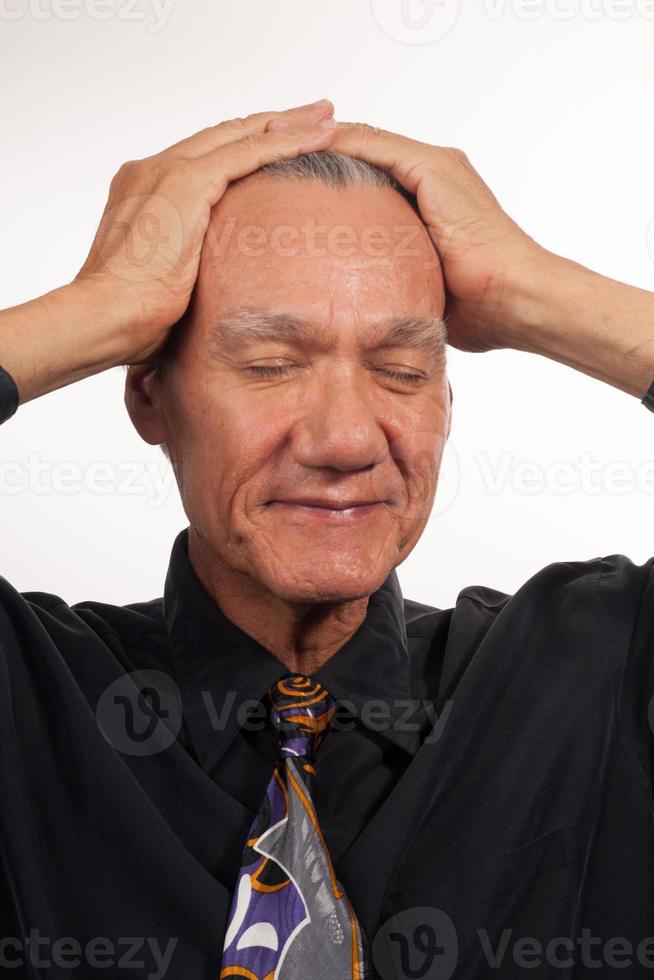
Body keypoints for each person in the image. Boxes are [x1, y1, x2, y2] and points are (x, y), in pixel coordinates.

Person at [0, 97, 653, 979]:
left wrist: (535, 290)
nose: (347, 440)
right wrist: (100, 306)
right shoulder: (29, 701)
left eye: (402, 371)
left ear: (447, 405)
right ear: (147, 395)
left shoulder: (597, 675)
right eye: (271, 365)